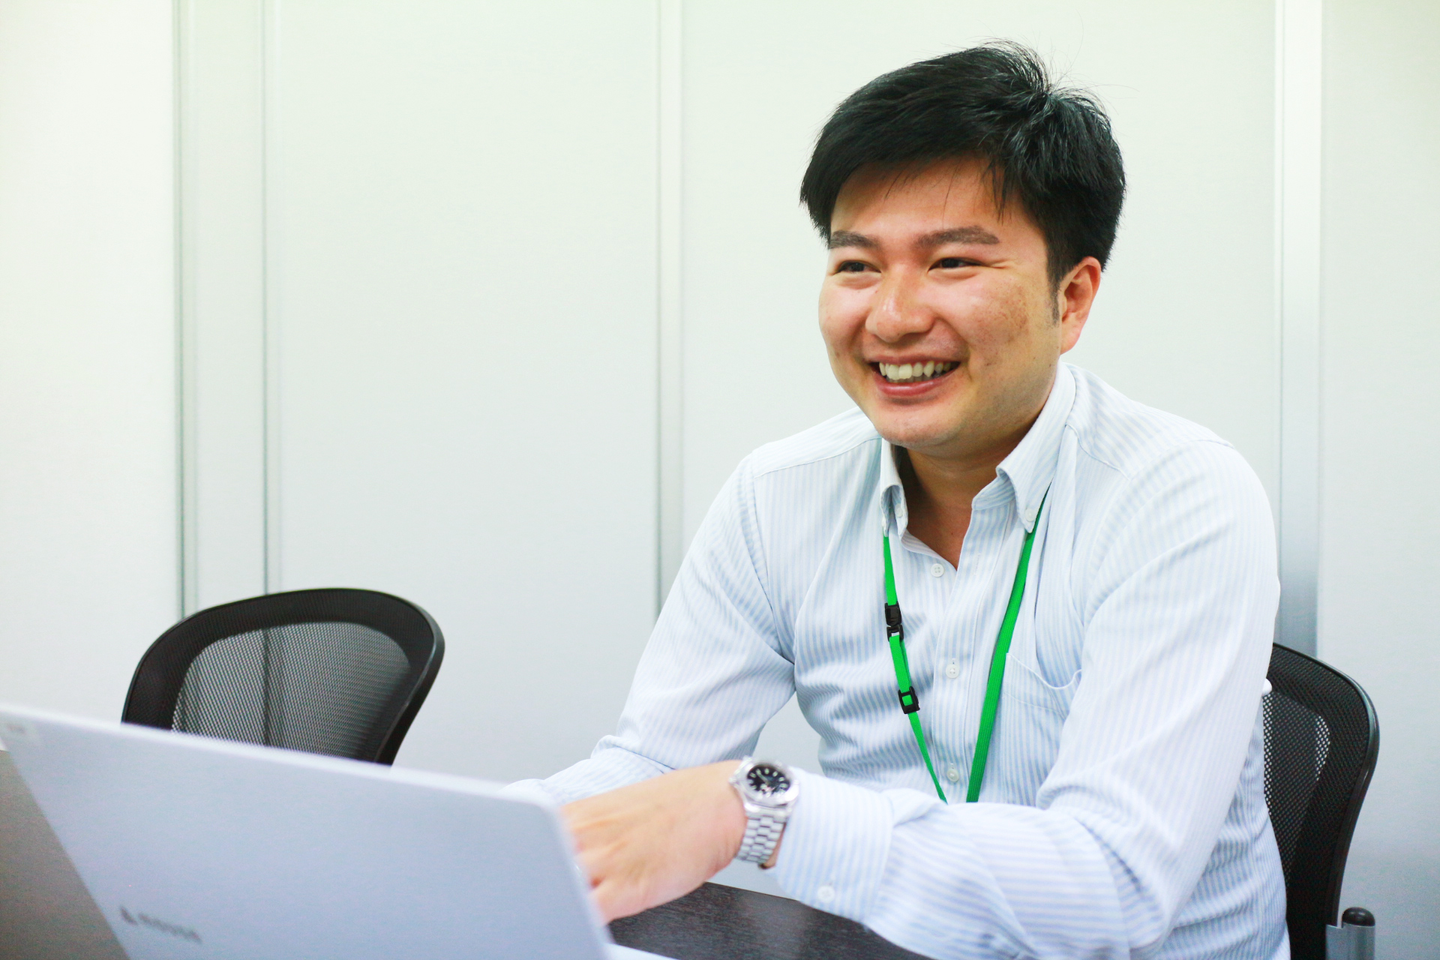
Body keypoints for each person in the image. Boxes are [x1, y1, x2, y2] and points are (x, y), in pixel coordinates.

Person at [511, 42, 1286, 959]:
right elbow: (653, 765)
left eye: (952, 262)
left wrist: (758, 812)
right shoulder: (778, 497)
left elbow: (1111, 884)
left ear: (1072, 298)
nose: (892, 317)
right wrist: (467, 835)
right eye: (857, 266)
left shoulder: (1180, 498)